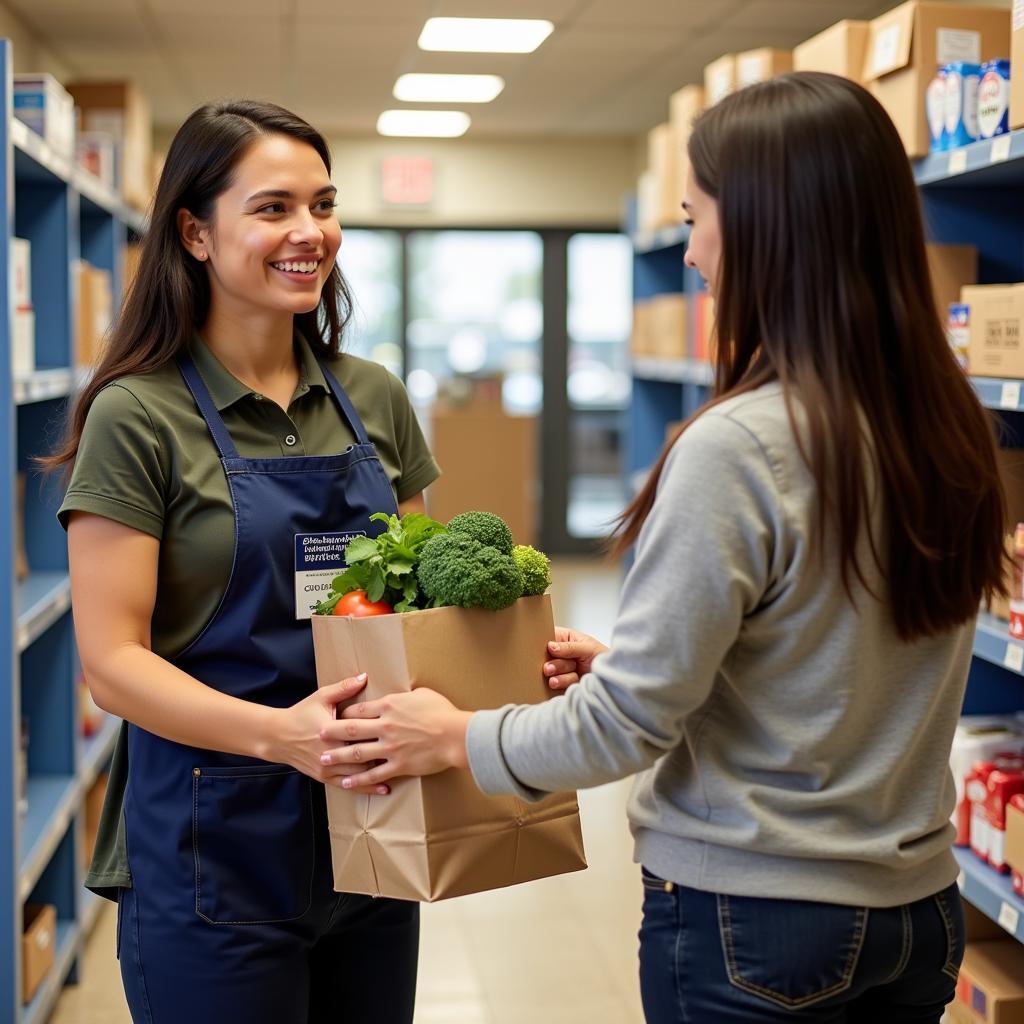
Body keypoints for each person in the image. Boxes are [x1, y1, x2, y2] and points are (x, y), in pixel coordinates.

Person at [323, 73, 1008, 1023]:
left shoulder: (742, 445)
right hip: (919, 915)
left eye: (698, 218)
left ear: (771, 225)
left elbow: (620, 732)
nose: (690, 254)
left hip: (763, 922)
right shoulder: (947, 427)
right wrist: (664, 669)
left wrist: (453, 737)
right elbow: (844, 657)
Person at [50, 101, 441, 1023]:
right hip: (210, 849)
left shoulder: (372, 396)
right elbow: (112, 666)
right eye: (272, 208)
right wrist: (284, 737)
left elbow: (423, 610)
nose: (310, 232)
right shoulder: (138, 416)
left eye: (324, 204)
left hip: (373, 831)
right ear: (195, 230)